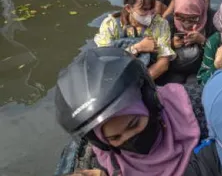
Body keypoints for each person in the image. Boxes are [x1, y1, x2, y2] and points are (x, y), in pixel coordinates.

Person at [54, 47, 201, 176]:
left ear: (150, 102)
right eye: (115, 138)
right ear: (102, 143)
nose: (131, 140)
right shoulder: (105, 164)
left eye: (133, 124)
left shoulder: (197, 108)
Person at [94, 0, 176, 81]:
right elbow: (105, 60)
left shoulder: (161, 24)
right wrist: (137, 48)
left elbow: (163, 64)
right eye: (144, 9)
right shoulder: (111, 24)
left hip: (146, 78)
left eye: (152, 8)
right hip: (115, 78)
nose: (150, 14)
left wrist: (139, 81)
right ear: (129, 8)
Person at [155, 0, 217, 85]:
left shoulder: (213, 20)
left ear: (201, 12)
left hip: (201, 68)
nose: (186, 24)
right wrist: (171, 44)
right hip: (175, 68)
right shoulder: (168, 22)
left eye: (193, 18)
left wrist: (203, 41)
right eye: (181, 18)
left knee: (195, 83)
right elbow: (154, 50)